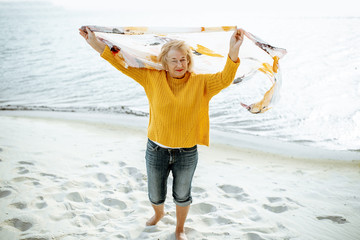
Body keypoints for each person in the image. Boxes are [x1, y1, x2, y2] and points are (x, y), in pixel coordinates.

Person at [79, 26, 244, 240]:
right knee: (156, 195)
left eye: (184, 59)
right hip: (156, 149)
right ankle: (158, 214)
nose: (180, 64)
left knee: (182, 195)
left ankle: (179, 228)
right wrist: (94, 43)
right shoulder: (152, 78)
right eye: (174, 60)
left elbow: (224, 78)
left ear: (189, 60)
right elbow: (121, 64)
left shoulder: (200, 83)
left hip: (186, 153)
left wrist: (233, 50)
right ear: (165, 62)